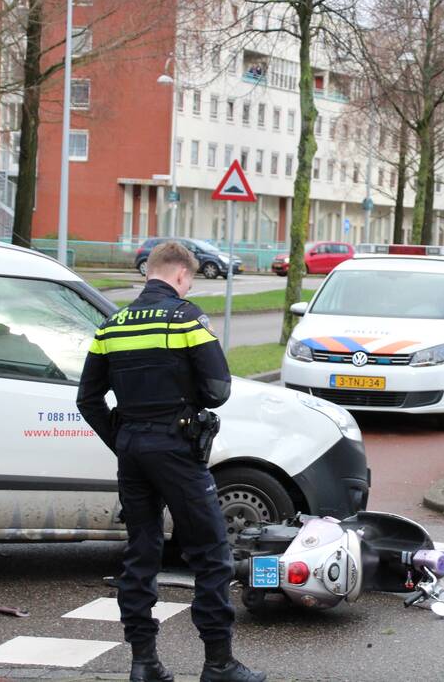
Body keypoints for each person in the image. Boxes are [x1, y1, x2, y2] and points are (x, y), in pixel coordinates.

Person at [77, 242, 264, 682]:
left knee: (141, 555)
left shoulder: (112, 325)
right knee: (212, 554)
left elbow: (87, 399)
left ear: (151, 272)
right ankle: (218, 663)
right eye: (190, 281)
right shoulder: (187, 318)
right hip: (178, 450)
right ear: (181, 274)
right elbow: (218, 389)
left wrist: (122, 439)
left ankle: (144, 663)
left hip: (133, 454)